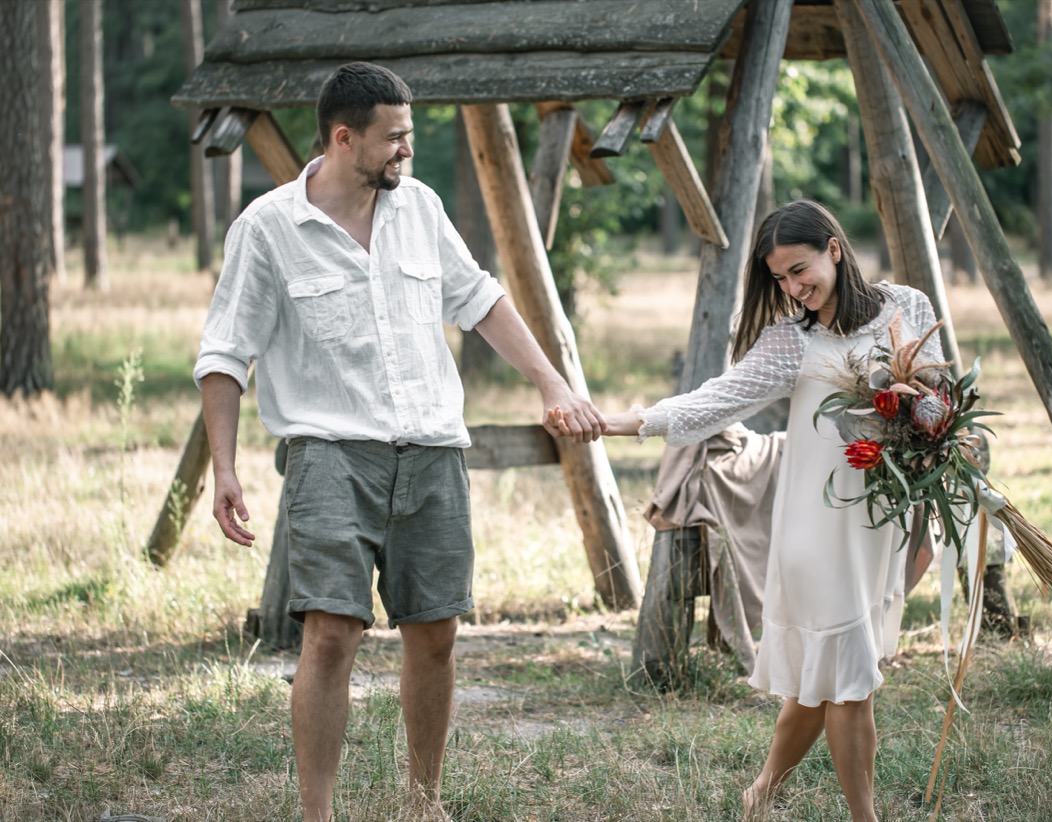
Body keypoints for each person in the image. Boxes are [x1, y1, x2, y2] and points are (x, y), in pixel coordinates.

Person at [194, 62, 603, 822]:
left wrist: (552, 385)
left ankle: (424, 802)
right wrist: (224, 469)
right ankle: (318, 813)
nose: (406, 151)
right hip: (328, 455)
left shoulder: (418, 207)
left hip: (432, 450)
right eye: (394, 138)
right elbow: (224, 354)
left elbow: (479, 299)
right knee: (329, 636)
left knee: (436, 632)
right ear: (344, 138)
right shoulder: (269, 228)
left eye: (410, 135)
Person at [602, 200, 945, 821]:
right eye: (781, 277)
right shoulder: (792, 341)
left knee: (825, 671)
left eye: (800, 269)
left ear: (834, 249)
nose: (793, 287)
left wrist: (936, 425)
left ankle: (760, 793)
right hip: (815, 527)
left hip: (874, 522)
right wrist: (629, 422)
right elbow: (715, 400)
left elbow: (935, 394)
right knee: (849, 675)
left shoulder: (907, 308)